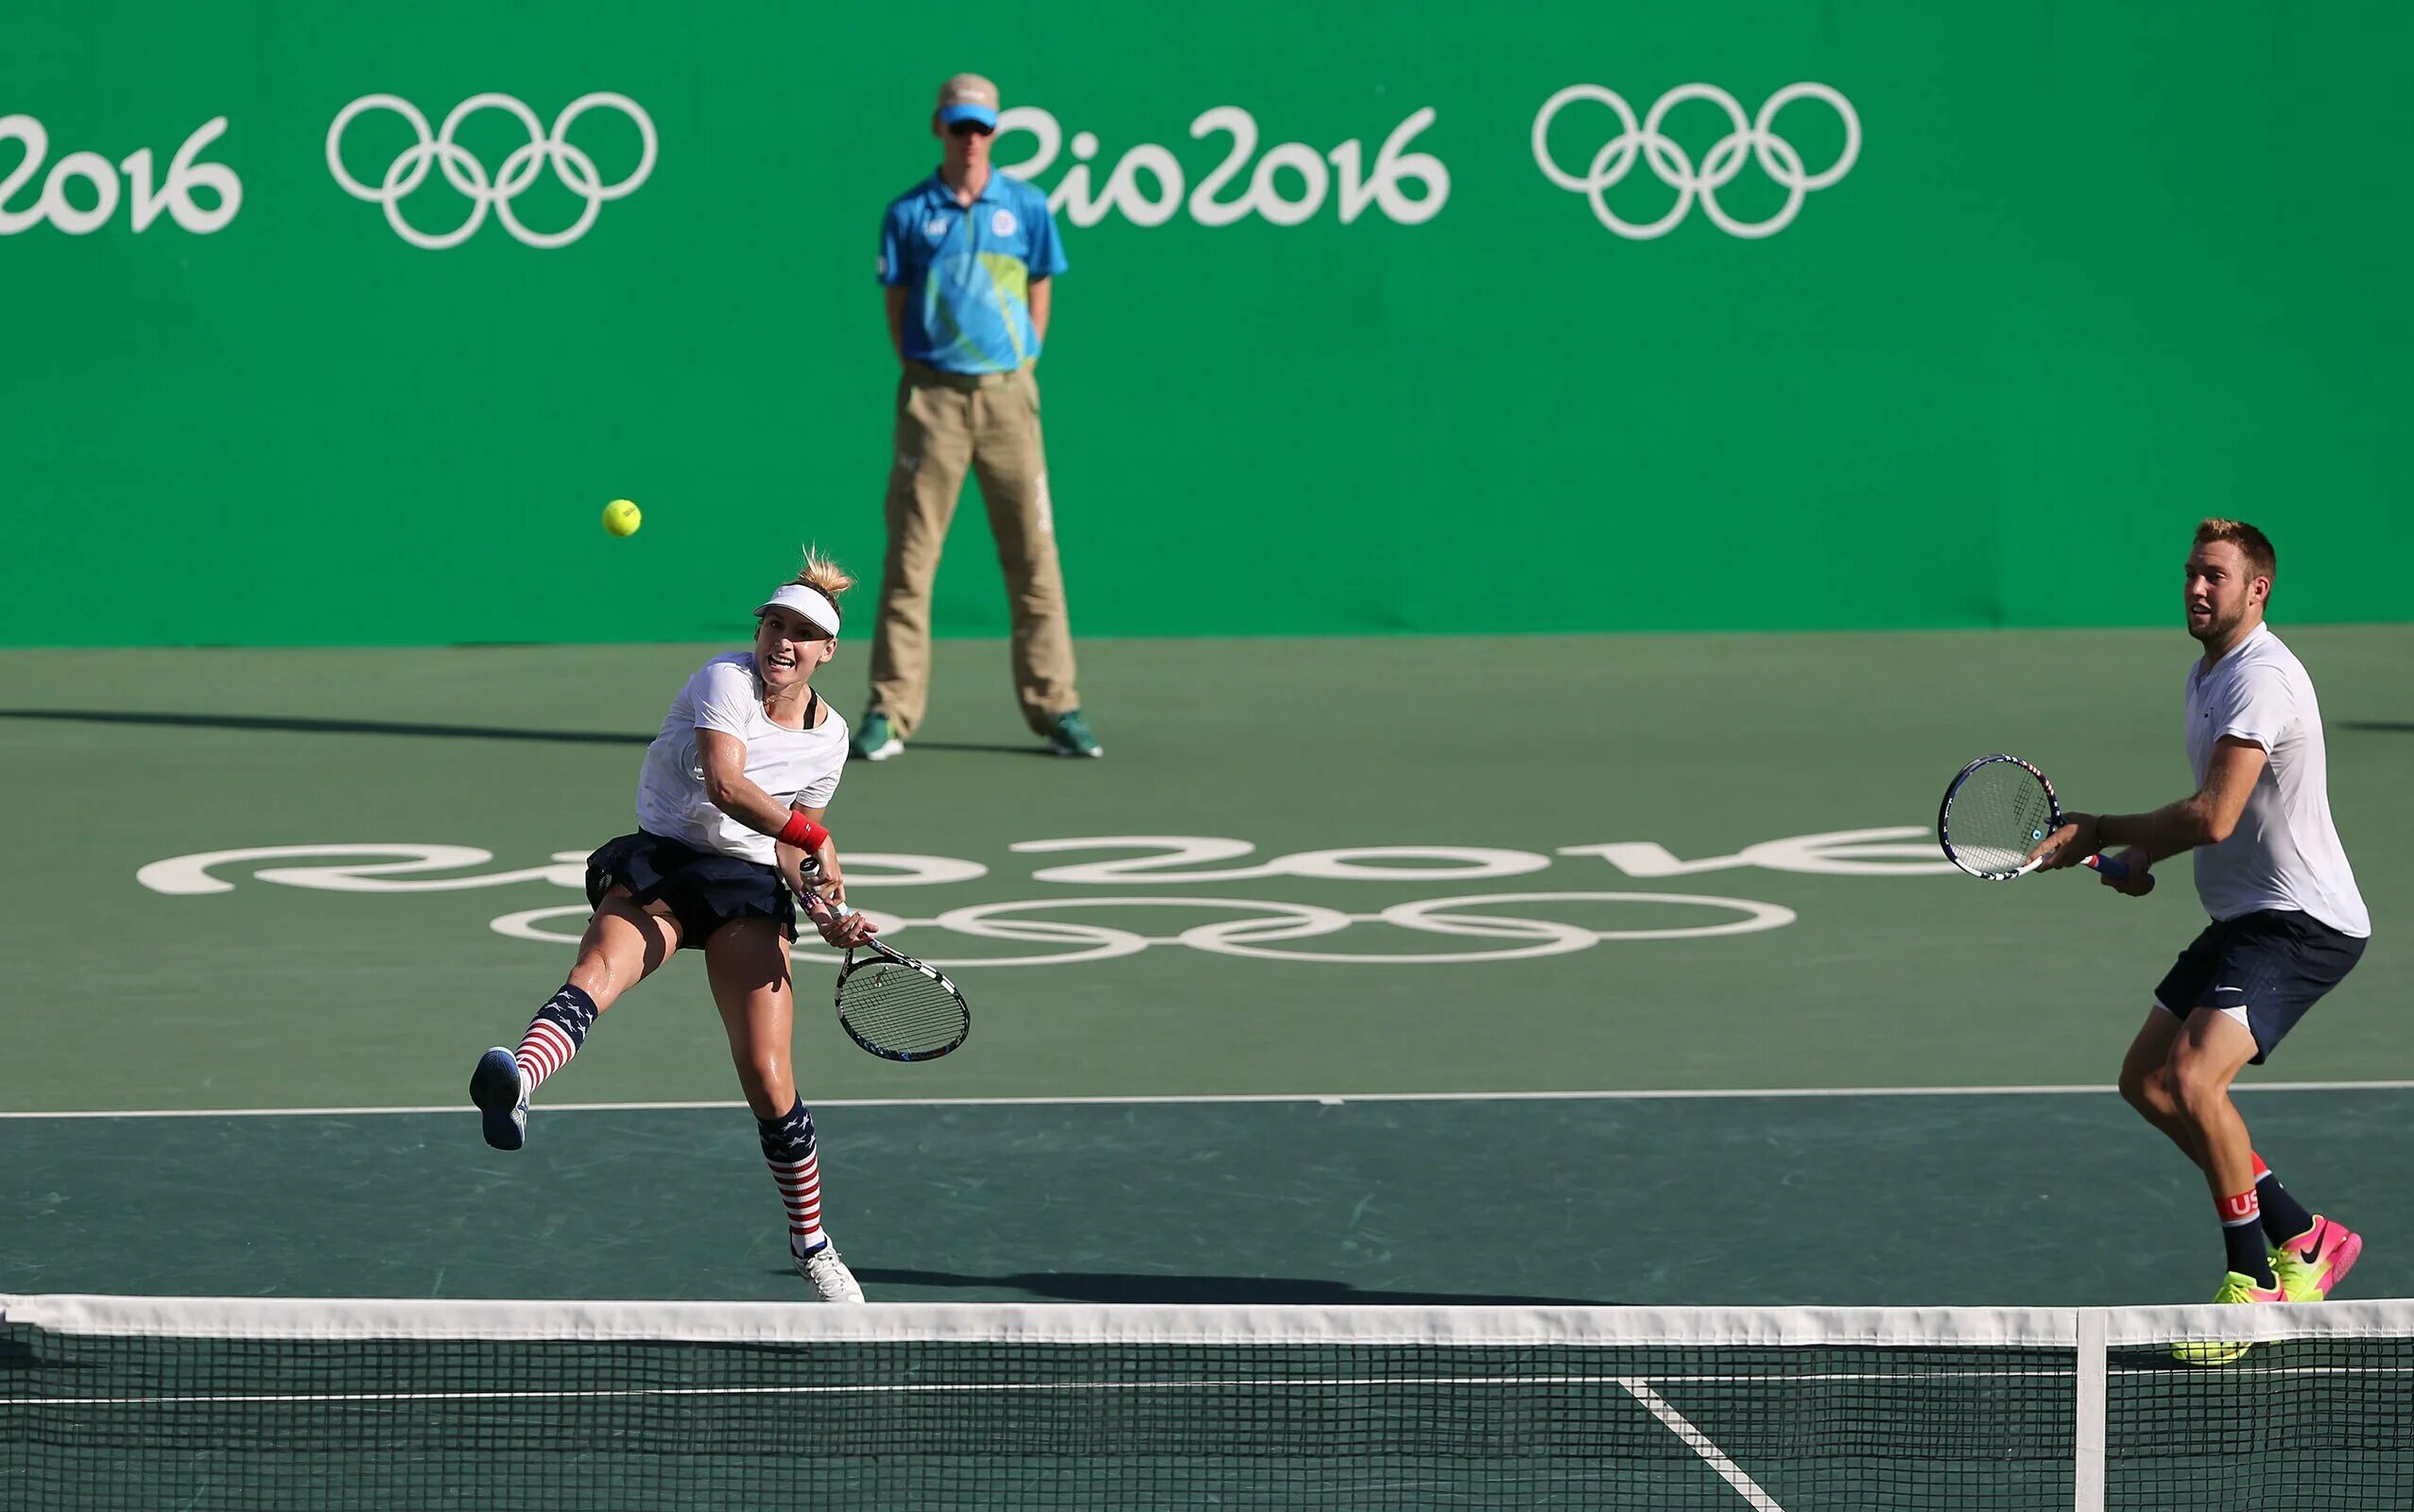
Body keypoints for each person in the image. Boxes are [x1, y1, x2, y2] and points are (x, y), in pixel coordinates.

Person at [468, 550, 882, 1302]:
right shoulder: (723, 680)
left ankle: (811, 1241)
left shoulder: (831, 738)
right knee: (597, 971)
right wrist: (818, 842)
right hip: (663, 859)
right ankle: (518, 1083)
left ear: (827, 651)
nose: (780, 644)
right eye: (773, 626)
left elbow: (794, 842)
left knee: (767, 1071)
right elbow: (726, 784)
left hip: (744, 884)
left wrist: (826, 907)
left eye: (801, 634)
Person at [2031, 518, 2370, 1359]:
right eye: (2189, 573)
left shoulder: (2263, 677)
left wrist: (2100, 826)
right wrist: (2136, 853)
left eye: (2215, 576)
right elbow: (2224, 813)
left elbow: (2216, 816)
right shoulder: (2206, 675)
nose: (2195, 588)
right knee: (2146, 1081)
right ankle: (2308, 1236)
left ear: (2258, 589)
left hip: (2301, 922)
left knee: (2192, 1074)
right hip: (2245, 917)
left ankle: (2249, 1285)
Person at [855, 71, 1103, 763]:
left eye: (981, 127)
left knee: (1034, 558)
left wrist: (1021, 363)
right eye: (959, 125)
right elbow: (896, 306)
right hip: (931, 401)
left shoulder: (1025, 207)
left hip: (1007, 402)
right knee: (910, 561)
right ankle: (892, 711)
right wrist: (925, 369)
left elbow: (1041, 288)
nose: (970, 139)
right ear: (939, 126)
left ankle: (1057, 710)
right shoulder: (908, 213)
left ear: (995, 132)